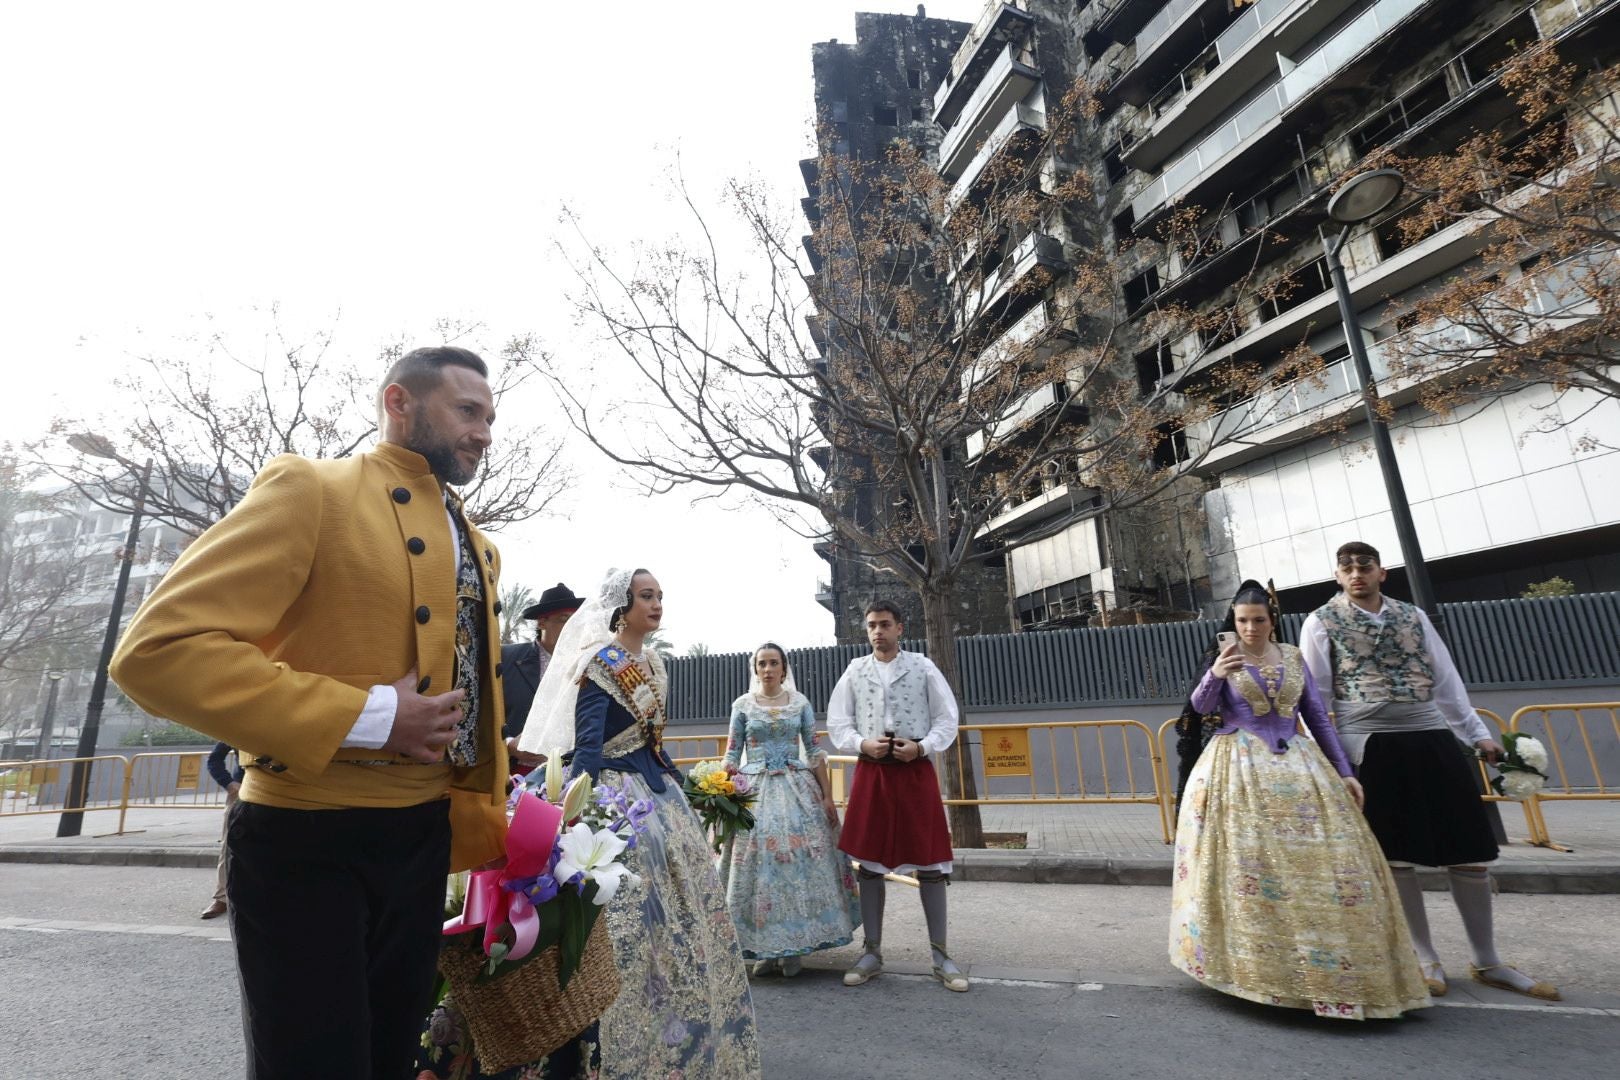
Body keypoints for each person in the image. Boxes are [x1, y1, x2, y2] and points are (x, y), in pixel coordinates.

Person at [109, 346, 510, 1079]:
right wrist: (370, 715)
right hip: (304, 840)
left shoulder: (479, 546)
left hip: (423, 838)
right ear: (399, 403)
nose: (484, 431)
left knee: (393, 1058)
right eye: (467, 410)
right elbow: (158, 650)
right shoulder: (312, 489)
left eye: (490, 416)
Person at [519, 568, 760, 1080]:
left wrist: (691, 786)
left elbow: (652, 744)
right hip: (615, 799)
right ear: (621, 605)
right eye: (646, 597)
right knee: (626, 928)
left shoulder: (651, 662)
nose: (657, 605)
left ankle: (683, 1031)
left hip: (658, 797)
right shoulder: (599, 664)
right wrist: (573, 817)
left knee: (679, 925)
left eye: (659, 597)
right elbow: (588, 747)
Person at [1301, 541, 1560, 1001]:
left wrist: (1476, 734)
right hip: (1370, 744)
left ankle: (1488, 960)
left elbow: (1445, 679)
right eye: (1347, 568)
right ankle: (1424, 957)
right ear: (1337, 576)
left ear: (1382, 573)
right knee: (1398, 856)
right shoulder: (1321, 621)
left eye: (1365, 566)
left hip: (1431, 735)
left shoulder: (1413, 616)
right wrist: (1332, 758)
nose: (1356, 574)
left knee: (1468, 849)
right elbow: (1316, 698)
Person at [1168, 580, 1430, 1020]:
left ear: (1272, 620)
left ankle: (1342, 970)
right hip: (1237, 769)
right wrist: (1215, 674)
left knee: (1335, 863)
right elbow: (1199, 708)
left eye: (1258, 620)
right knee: (1250, 864)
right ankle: (1258, 969)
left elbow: (1316, 718)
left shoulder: (1292, 657)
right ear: (1232, 622)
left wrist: (1345, 772)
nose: (1250, 628)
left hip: (1302, 765)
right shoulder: (1222, 658)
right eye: (1242, 621)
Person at [825, 600, 967, 993]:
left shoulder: (922, 666)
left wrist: (922, 749)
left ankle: (940, 955)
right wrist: (860, 744)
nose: (877, 632)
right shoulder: (856, 670)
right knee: (869, 864)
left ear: (900, 628)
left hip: (914, 770)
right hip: (873, 772)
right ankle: (872, 952)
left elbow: (946, 717)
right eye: (871, 625)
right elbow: (839, 721)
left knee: (930, 862)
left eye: (884, 624)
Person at [718, 642, 860, 976]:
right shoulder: (742, 705)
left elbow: (814, 751)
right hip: (754, 790)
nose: (767, 669)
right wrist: (720, 791)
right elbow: (731, 754)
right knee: (760, 864)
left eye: (773, 663)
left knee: (798, 861)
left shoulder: (800, 703)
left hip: (798, 789)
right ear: (755, 669)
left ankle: (794, 948)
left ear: (784, 668)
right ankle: (765, 948)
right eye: (762, 664)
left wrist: (827, 797)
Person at [501, 582, 583, 767]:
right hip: (514, 775)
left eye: (575, 621)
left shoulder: (587, 666)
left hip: (571, 774)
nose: (571, 627)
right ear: (542, 622)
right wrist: (508, 745)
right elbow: (483, 715)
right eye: (564, 619)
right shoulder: (505, 659)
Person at [198, 741, 244, 920]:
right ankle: (222, 898)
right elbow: (214, 759)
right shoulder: (237, 723)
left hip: (278, 791)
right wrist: (230, 784)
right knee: (229, 845)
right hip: (242, 790)